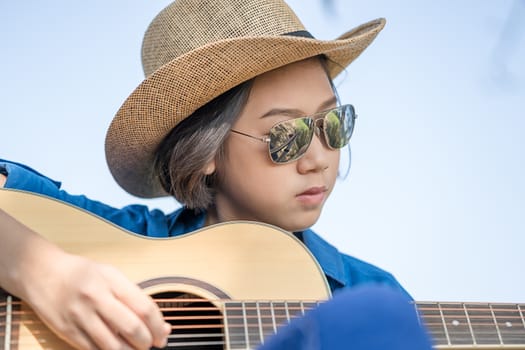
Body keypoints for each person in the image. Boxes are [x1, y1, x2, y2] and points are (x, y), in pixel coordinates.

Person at [0, 0, 433, 349]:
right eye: (287, 136)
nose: (319, 158)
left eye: (334, 125)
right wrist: (45, 273)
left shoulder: (364, 292)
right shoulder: (111, 239)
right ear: (208, 150)